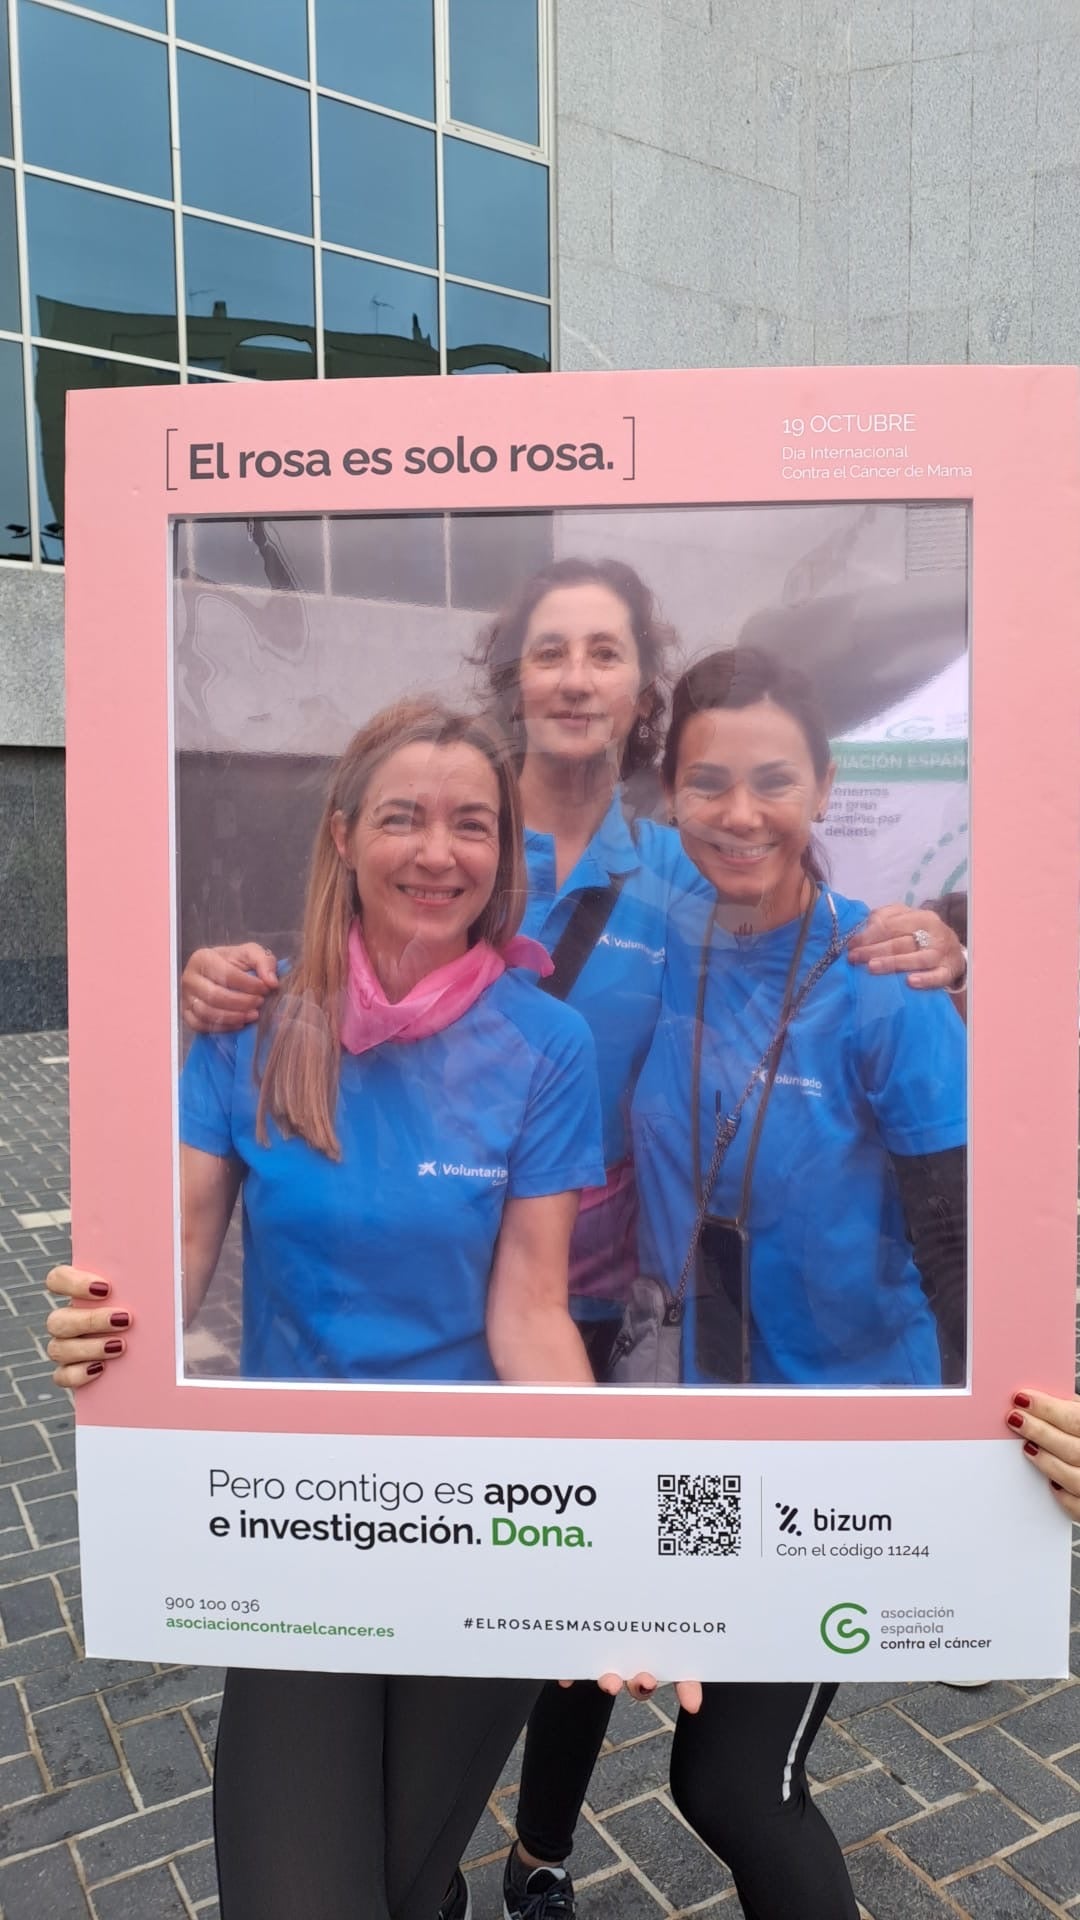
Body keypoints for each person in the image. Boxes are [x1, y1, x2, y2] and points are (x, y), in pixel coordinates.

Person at [177, 558, 967, 1920]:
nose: (579, 676)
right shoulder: (413, 920)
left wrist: (950, 946)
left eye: (609, 650)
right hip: (560, 1380)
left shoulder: (670, 875)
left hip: (616, 1352)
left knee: (691, 1751)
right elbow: (171, 1242)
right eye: (554, 648)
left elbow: (827, 961)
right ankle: (534, 1848)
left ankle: (537, 1849)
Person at [47, 695, 606, 1920]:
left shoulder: (548, 1044)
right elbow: (176, 1245)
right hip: (300, 1514)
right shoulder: (253, 1024)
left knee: (404, 1887)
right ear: (344, 837)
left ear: (503, 856)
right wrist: (103, 1329)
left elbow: (529, 1314)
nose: (438, 851)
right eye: (404, 817)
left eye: (472, 825)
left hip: (481, 1517)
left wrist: (601, 1539)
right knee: (297, 1894)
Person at [632, 645, 968, 1391]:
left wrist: (1006, 1451)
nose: (740, 815)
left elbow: (961, 1251)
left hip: (853, 1427)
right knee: (700, 1516)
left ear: (824, 789)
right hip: (682, 1414)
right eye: (708, 784)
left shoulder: (881, 972)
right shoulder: (647, 947)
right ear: (670, 794)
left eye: (775, 782)